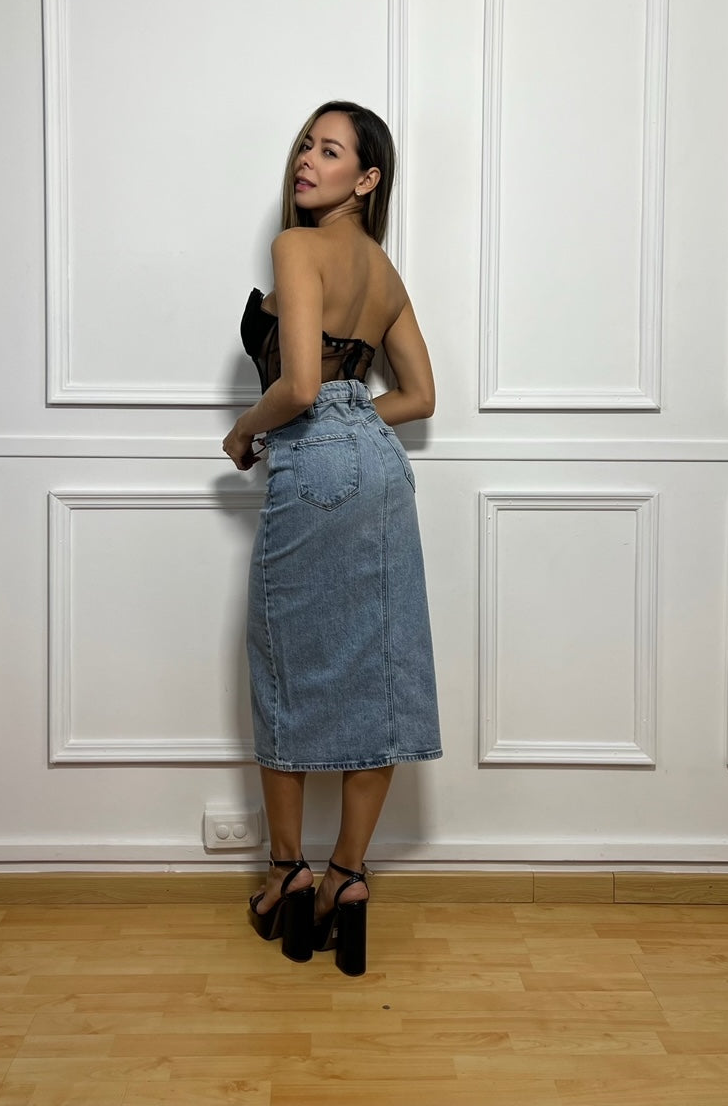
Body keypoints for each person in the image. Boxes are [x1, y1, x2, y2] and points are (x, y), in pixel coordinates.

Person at [222, 100, 441, 976]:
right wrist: (359, 419)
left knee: (286, 665)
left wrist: (244, 432)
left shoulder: (297, 246)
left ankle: (287, 874)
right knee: (375, 668)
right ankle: (348, 875)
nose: (307, 160)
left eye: (331, 150)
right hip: (381, 468)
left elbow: (301, 387)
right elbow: (419, 396)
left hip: (313, 461)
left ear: (368, 178)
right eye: (306, 145)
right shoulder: (383, 272)